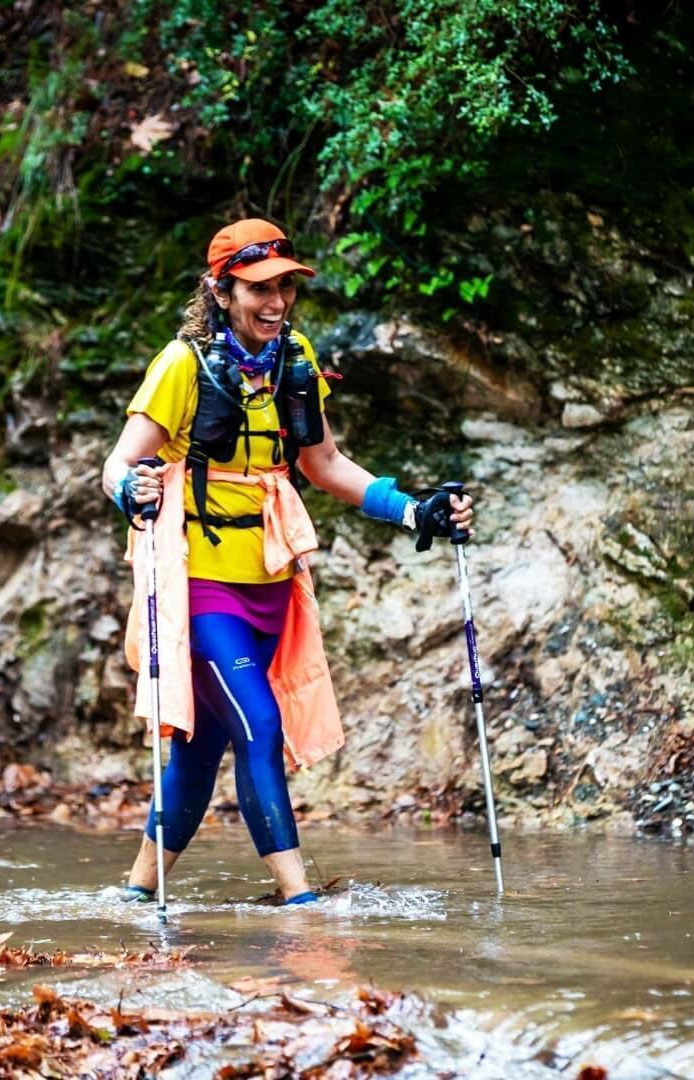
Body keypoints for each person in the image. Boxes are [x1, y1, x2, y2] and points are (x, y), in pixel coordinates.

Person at [103, 218, 473, 904]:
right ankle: (299, 900)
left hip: (271, 583)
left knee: (200, 748)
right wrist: (131, 489)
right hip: (200, 583)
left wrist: (414, 511)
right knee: (260, 724)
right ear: (222, 291)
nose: (276, 302)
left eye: (286, 288)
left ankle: (134, 895)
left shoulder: (294, 358)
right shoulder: (181, 365)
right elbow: (118, 462)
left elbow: (325, 464)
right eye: (259, 289)